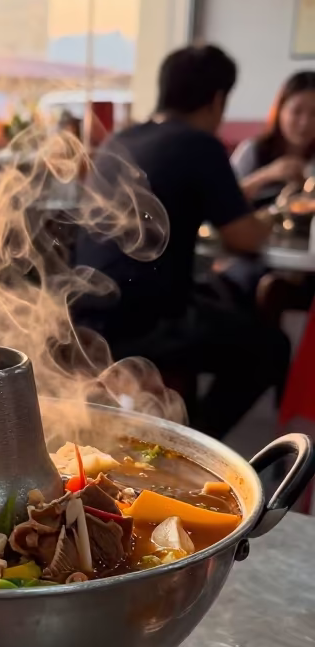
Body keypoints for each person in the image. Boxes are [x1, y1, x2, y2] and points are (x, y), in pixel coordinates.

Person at [74, 44, 290, 440]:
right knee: (270, 347)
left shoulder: (121, 140)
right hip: (142, 322)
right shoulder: (199, 144)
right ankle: (194, 445)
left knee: (223, 301)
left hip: (84, 314)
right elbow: (243, 237)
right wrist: (269, 219)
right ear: (218, 99)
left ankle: (182, 432)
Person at [231, 70, 315, 204]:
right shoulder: (254, 150)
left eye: (314, 113)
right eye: (296, 111)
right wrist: (267, 174)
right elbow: (221, 200)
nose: (305, 123)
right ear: (280, 111)